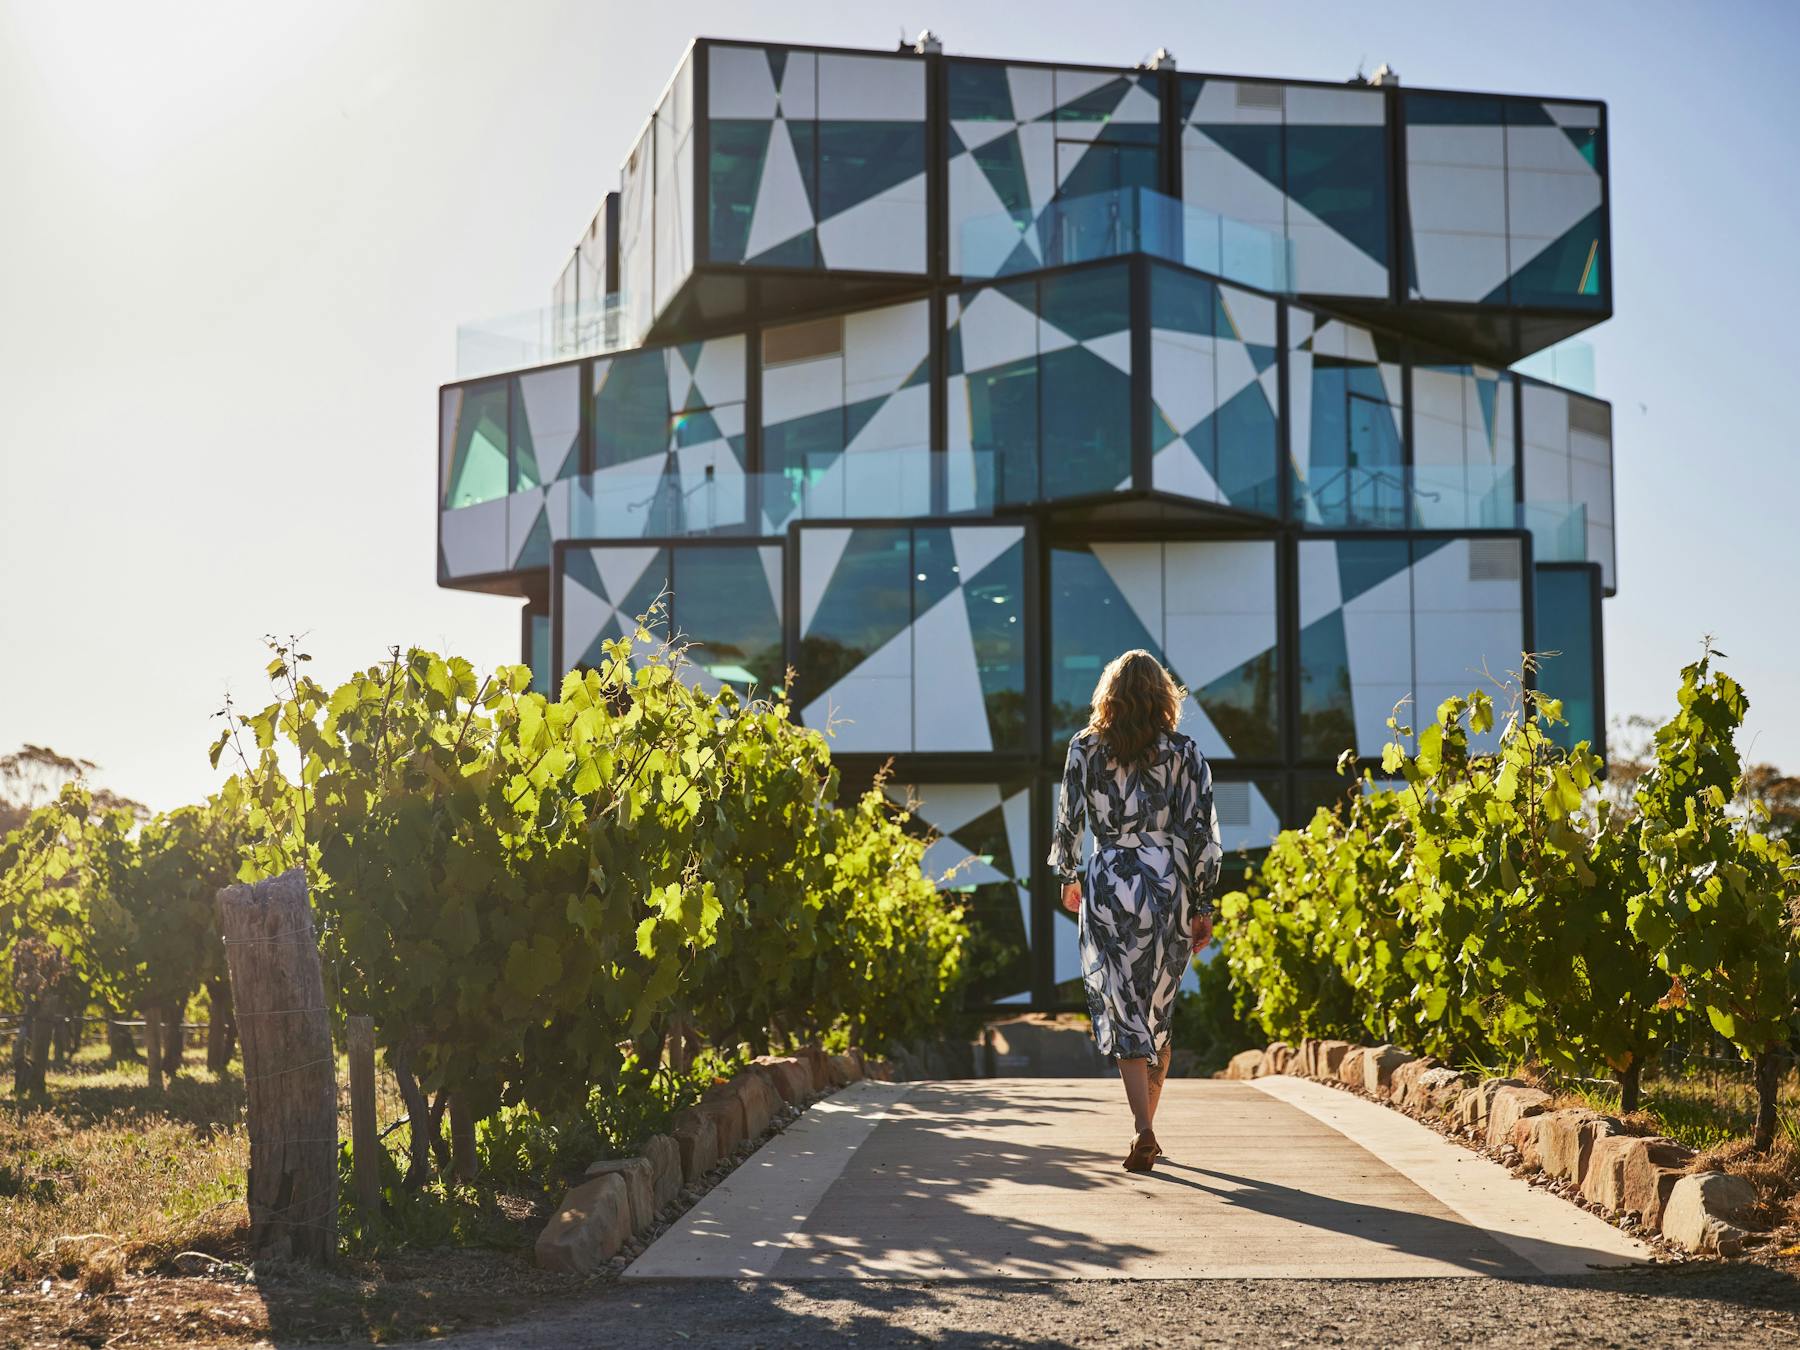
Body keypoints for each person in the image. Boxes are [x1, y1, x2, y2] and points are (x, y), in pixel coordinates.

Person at [1048, 649, 1222, 1173]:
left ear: (1110, 696)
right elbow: (1201, 833)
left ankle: (1144, 1128)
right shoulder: (1186, 752)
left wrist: (1069, 876)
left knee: (1122, 1005)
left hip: (1107, 879)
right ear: (1163, 696)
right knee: (1158, 1009)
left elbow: (1067, 821)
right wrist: (1204, 903)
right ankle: (1146, 1126)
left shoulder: (1084, 748)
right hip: (1167, 883)